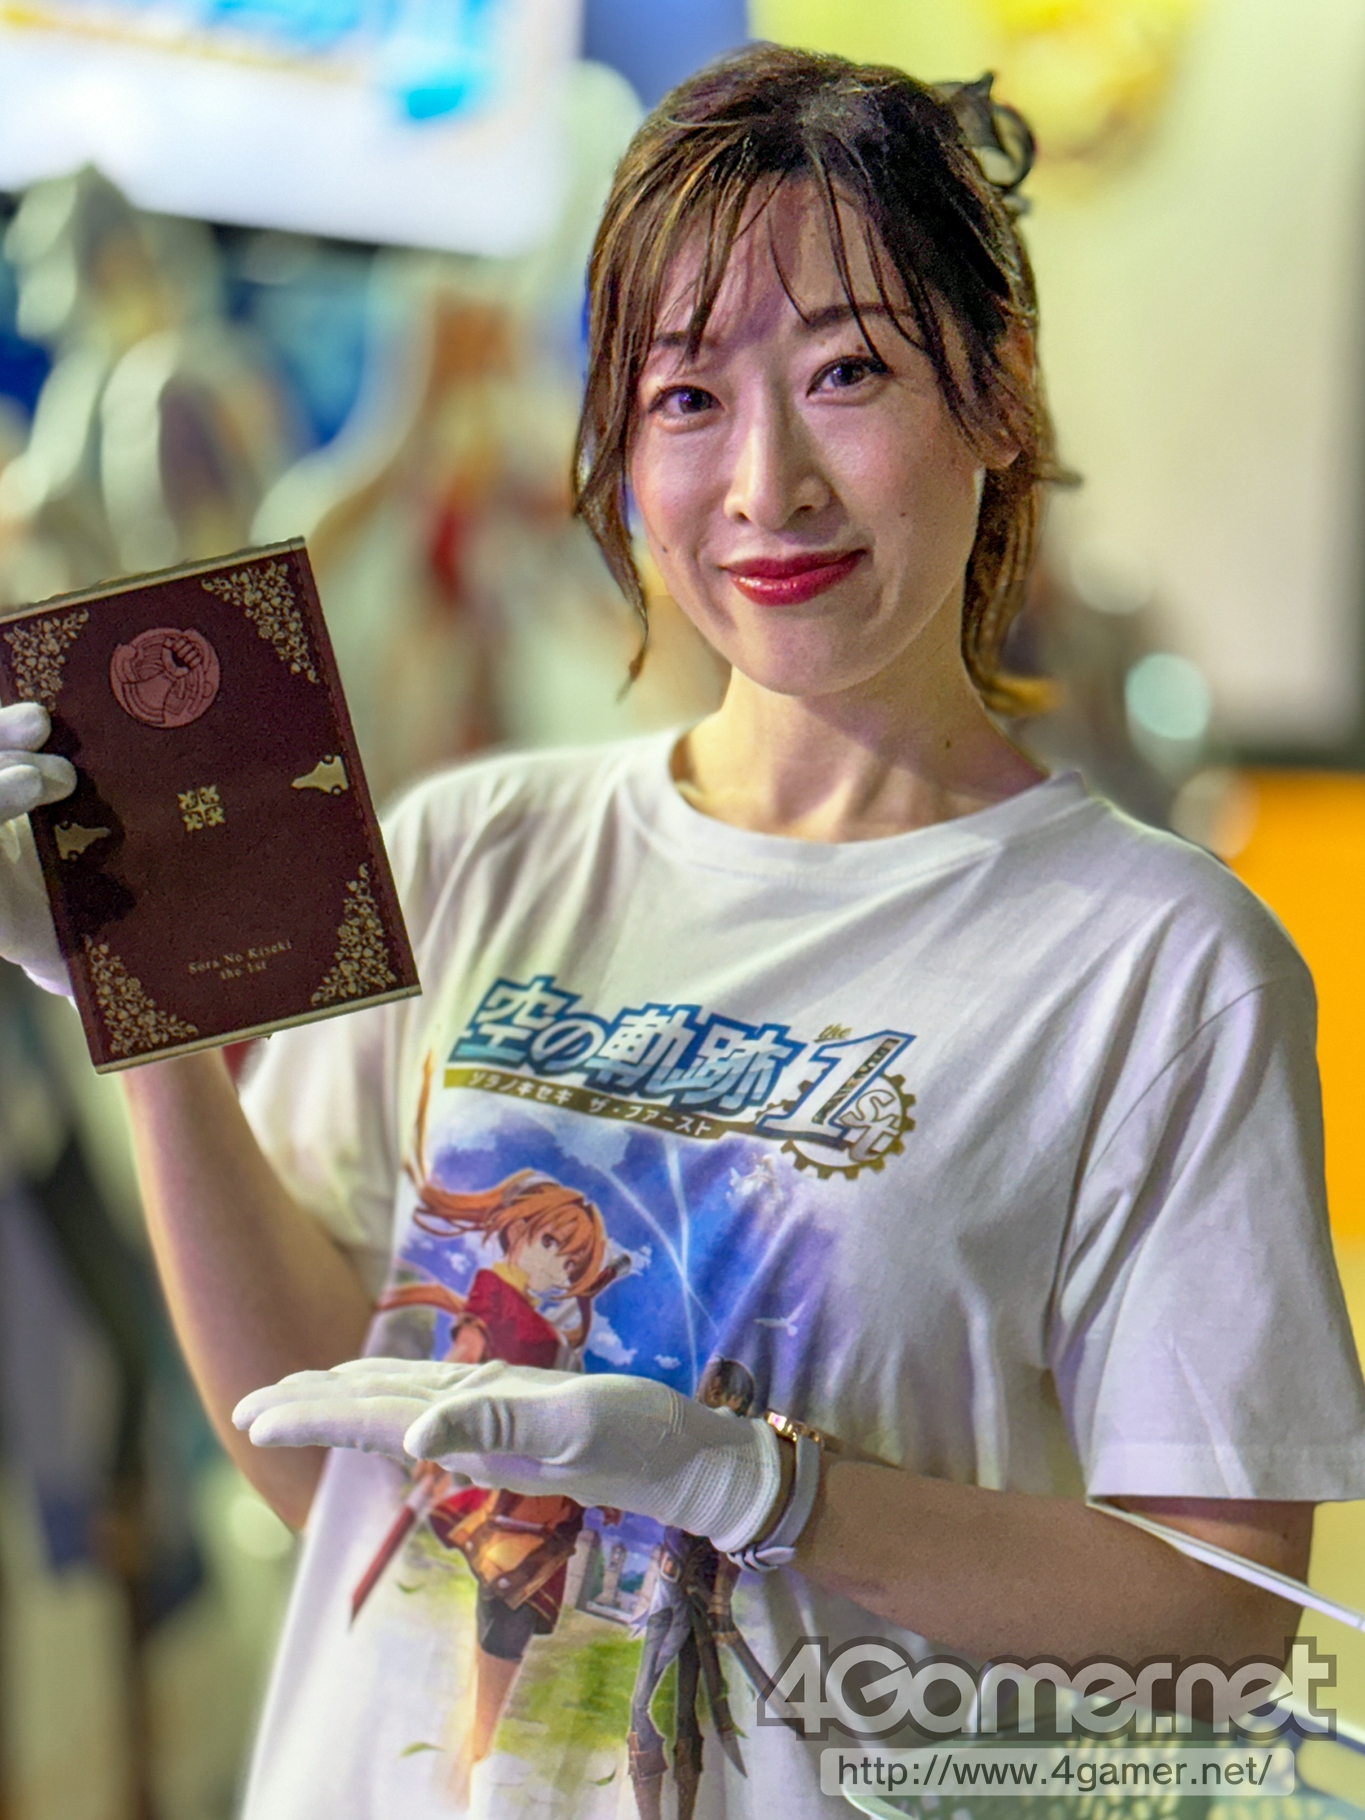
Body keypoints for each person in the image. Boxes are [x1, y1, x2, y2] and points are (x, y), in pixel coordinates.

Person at [2, 42, 1364, 1820]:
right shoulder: (474, 849)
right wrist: (140, 1013)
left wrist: (764, 1491)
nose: (766, 483)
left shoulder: (1161, 966)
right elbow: (327, 1477)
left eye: (848, 372)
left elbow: (1222, 1626)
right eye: (686, 395)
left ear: (998, 390)